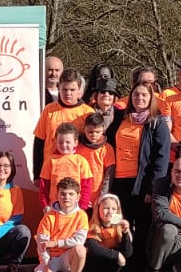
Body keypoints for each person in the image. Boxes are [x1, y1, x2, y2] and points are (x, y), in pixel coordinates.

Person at [105, 83, 171, 248]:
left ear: (151, 98)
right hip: (119, 180)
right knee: (120, 222)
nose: (139, 98)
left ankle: (138, 267)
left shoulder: (157, 123)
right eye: (136, 95)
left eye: (144, 95)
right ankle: (122, 263)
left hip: (141, 182)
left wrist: (152, 187)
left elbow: (161, 159)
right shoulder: (121, 118)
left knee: (142, 225)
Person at [34, 177, 88, 272]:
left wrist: (56, 243)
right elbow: (42, 244)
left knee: (80, 249)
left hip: (68, 257)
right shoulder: (49, 217)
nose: (66, 197)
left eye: (71, 194)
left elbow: (79, 240)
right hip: (51, 258)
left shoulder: (82, 216)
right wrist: (46, 265)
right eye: (62, 194)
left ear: (78, 197)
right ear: (57, 195)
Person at [32, 69, 90, 169]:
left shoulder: (87, 113)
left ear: (79, 90)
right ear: (59, 88)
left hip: (77, 169)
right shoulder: (49, 110)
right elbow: (39, 142)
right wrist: (37, 173)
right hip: (51, 168)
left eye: (72, 90)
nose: (68, 93)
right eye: (64, 89)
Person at [37, 122, 94, 210]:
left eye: (68, 142)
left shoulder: (81, 161)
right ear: (55, 141)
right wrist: (45, 206)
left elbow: (86, 186)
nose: (64, 145)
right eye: (60, 142)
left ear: (75, 142)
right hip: (54, 208)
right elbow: (44, 186)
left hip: (76, 209)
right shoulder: (50, 161)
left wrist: (82, 206)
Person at [83, 193, 133, 272]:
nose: (110, 211)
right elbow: (93, 248)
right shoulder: (92, 226)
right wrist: (116, 254)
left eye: (114, 209)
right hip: (95, 263)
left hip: (110, 265)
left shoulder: (119, 227)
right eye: (106, 208)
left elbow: (128, 252)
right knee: (90, 252)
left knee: (123, 255)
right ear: (98, 209)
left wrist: (126, 233)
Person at [77, 113, 114, 204]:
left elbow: (109, 175)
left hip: (98, 196)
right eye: (90, 132)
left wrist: (102, 196)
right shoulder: (77, 147)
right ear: (84, 129)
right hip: (79, 196)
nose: (93, 135)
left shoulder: (107, 148)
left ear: (103, 130)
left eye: (97, 132)